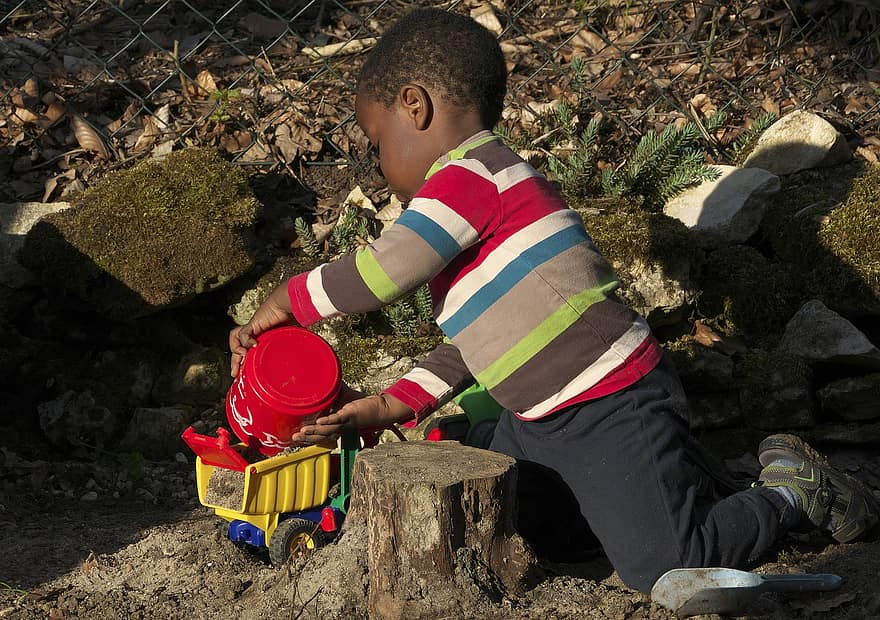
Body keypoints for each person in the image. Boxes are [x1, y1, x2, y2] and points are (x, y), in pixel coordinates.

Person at [229, 7, 878, 593]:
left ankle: (789, 495)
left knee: (665, 565)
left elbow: (383, 269)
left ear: (415, 106)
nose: (377, 167)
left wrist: (291, 297)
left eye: (377, 143)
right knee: (535, 530)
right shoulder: (471, 216)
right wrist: (385, 404)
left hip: (611, 406)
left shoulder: (471, 176)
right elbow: (476, 348)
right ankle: (671, 485)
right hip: (543, 419)